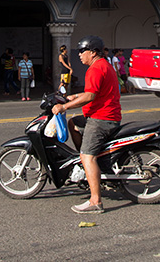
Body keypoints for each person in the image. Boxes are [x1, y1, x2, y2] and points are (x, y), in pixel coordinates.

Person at [51, 35, 121, 214]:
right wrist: (75, 96)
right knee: (73, 123)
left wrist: (64, 106)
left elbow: (90, 97)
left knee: (87, 156)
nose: (80, 54)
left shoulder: (96, 68)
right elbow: (93, 92)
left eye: (83, 51)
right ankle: (87, 163)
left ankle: (95, 201)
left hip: (101, 119)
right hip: (102, 115)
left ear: (94, 52)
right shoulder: (102, 65)